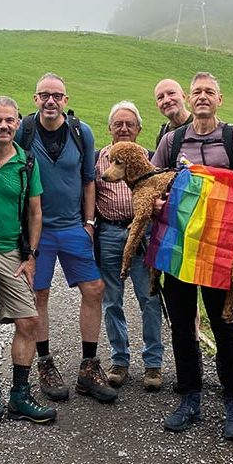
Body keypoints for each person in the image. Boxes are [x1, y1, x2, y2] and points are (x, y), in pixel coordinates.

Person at [152, 72, 233, 440]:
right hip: (179, 248)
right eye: (196, 92)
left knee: (224, 324)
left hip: (219, 250)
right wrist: (158, 203)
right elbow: (155, 186)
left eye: (209, 91)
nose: (202, 97)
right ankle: (190, 397)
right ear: (188, 97)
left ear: (220, 98)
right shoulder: (171, 140)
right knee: (181, 325)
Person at [19, 73, 117, 404]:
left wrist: (89, 223)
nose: (50, 101)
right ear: (35, 99)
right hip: (38, 230)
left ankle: (89, 368)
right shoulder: (25, 130)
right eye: (44, 95)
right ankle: (45, 364)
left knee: (94, 289)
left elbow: (88, 179)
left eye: (56, 95)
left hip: (74, 227)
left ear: (65, 99)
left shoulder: (81, 132)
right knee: (40, 294)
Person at [0, 96, 56, 425]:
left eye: (9, 121)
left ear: (18, 124)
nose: (3, 126)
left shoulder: (26, 163)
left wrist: (31, 256)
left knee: (29, 322)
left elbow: (35, 212)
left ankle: (19, 394)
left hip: (10, 252)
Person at [94, 101, 163, 390]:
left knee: (149, 298)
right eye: (118, 124)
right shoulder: (99, 158)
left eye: (129, 124)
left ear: (139, 129)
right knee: (112, 300)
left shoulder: (149, 158)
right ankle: (119, 361)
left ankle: (153, 365)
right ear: (110, 128)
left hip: (144, 234)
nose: (123, 128)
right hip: (110, 233)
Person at [154, 78, 193, 149]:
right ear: (157, 105)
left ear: (184, 96)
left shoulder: (202, 124)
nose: (166, 100)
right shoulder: (162, 134)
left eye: (171, 93)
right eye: (160, 97)